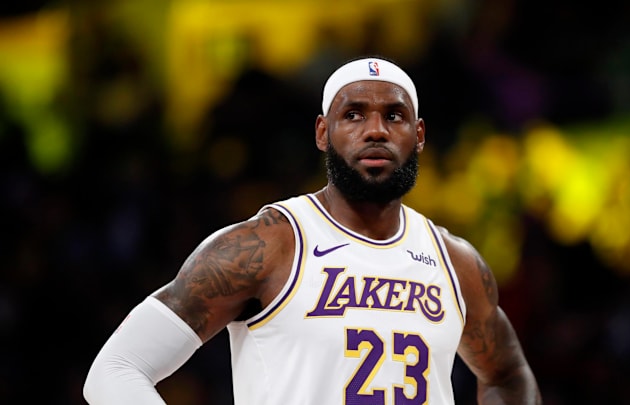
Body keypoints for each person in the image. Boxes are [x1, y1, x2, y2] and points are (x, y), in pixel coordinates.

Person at [83, 56, 542, 404]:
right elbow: (117, 368)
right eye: (354, 115)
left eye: (394, 116)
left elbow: (507, 375)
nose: (376, 131)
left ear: (419, 135)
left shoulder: (455, 262)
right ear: (323, 132)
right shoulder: (266, 245)